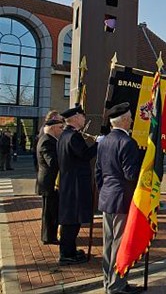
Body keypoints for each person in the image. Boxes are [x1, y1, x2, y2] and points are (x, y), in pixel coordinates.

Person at [95, 103, 142, 294]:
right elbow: (131, 175)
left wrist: (105, 190)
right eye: (130, 117)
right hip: (122, 198)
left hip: (107, 197)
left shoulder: (104, 141)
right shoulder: (127, 143)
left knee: (108, 243)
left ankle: (109, 281)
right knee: (120, 244)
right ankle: (116, 286)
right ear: (123, 120)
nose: (131, 120)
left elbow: (98, 172)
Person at [57, 105, 98, 265]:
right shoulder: (73, 136)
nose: (84, 119)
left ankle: (70, 250)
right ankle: (66, 254)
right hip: (74, 184)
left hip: (70, 183)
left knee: (72, 219)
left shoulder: (65, 135)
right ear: (74, 118)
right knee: (72, 220)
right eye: (82, 116)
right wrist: (98, 144)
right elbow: (85, 155)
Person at [36, 117, 65, 245]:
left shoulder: (50, 140)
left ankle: (50, 235)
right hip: (48, 182)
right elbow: (52, 162)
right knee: (49, 212)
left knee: (51, 210)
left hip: (50, 181)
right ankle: (48, 237)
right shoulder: (47, 141)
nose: (61, 130)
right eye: (60, 128)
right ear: (53, 128)